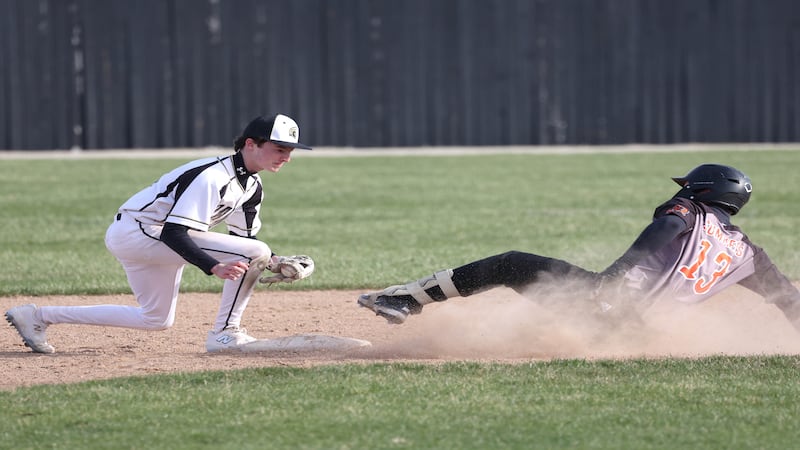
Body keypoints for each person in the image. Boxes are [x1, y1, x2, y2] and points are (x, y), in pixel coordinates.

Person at [358, 164, 800, 334]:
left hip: (608, 304)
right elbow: (788, 299)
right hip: (641, 334)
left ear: (702, 190)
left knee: (511, 264)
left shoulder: (690, 210)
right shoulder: (748, 253)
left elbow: (667, 227)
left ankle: (404, 299)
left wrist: (614, 274)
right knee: (545, 307)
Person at [6, 113, 316, 354]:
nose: (286, 157)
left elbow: (244, 241)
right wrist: (212, 266)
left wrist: (278, 262)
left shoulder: (252, 186)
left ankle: (37, 316)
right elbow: (173, 232)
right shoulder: (212, 176)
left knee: (155, 319)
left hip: (148, 236)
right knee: (256, 252)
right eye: (279, 149)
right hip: (139, 232)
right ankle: (226, 333)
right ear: (251, 144)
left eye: (290, 151)